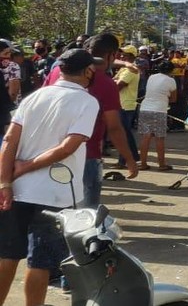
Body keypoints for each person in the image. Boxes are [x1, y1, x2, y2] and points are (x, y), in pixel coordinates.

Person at [0, 48, 100, 306]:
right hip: (55, 193)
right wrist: (25, 167)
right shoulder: (87, 102)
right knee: (40, 261)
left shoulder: (35, 97)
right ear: (88, 71)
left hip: (18, 189)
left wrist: (5, 181)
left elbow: (9, 139)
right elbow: (68, 147)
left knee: (7, 255)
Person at [45, 36, 139, 206]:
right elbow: (114, 128)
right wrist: (129, 159)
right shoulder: (106, 83)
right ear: (111, 55)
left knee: (52, 213)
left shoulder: (57, 72)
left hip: (49, 153)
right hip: (87, 156)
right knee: (86, 216)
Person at [139, 61, 177, 171]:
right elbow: (174, 99)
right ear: (171, 70)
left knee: (146, 137)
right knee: (159, 138)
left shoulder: (152, 77)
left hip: (145, 108)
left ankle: (143, 163)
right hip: (159, 110)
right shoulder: (171, 80)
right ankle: (161, 165)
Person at [113, 45, 141, 170]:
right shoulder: (124, 68)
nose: (122, 56)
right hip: (122, 103)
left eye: (125, 54)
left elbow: (118, 85)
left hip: (125, 105)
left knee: (123, 135)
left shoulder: (130, 70)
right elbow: (114, 81)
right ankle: (133, 157)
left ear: (131, 56)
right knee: (126, 134)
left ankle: (124, 161)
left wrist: (113, 82)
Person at [0, 40, 20, 136]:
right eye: (5, 53)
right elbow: (13, 95)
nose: (8, 56)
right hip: (7, 111)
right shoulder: (13, 66)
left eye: (9, 53)